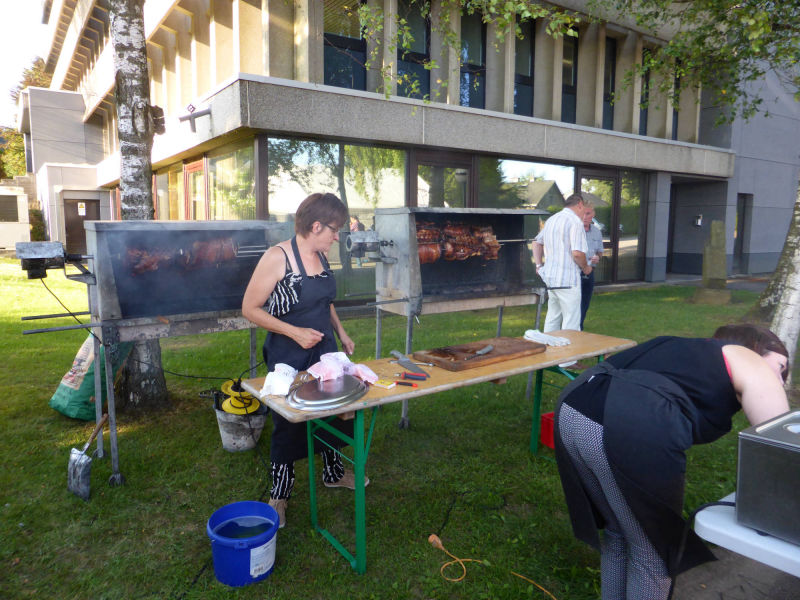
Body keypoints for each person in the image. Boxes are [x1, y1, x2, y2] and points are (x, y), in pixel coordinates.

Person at [554, 323, 790, 599]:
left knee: (617, 532)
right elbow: (782, 454)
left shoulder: (683, 350)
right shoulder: (751, 361)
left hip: (573, 409)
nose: (780, 381)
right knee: (655, 551)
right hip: (625, 426)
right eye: (781, 367)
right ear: (756, 348)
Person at [242, 192, 364, 528]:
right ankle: (279, 495)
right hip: (289, 355)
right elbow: (249, 309)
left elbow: (325, 302)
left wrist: (342, 333)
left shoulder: (322, 256)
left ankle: (333, 473)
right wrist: (294, 333)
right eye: (334, 230)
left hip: (324, 350)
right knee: (288, 423)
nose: (337, 237)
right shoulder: (277, 257)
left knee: (333, 409)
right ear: (316, 226)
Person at [532, 193, 592, 333]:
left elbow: (536, 242)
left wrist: (538, 265)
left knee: (553, 318)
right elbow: (577, 253)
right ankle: (570, 347)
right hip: (568, 280)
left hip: (551, 279)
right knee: (571, 322)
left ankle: (548, 345)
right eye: (584, 210)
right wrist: (586, 267)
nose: (584, 214)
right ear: (580, 205)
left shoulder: (552, 220)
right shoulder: (575, 222)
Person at [580, 203, 604, 330]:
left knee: (585, 302)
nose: (585, 217)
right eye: (583, 213)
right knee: (573, 304)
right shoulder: (575, 230)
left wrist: (597, 257)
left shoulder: (596, 231)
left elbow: (600, 251)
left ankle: (579, 328)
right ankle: (570, 329)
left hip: (590, 272)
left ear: (593, 215)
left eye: (588, 214)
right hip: (576, 272)